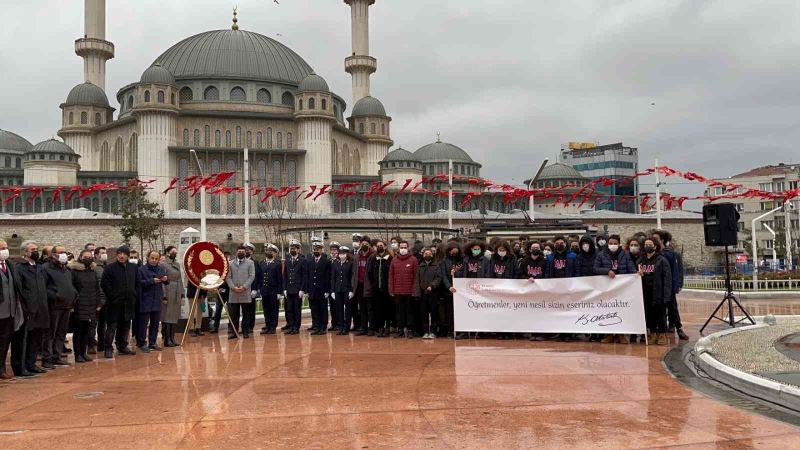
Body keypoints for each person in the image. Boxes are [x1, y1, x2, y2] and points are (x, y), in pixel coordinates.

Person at [12, 241, 49, 376]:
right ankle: (20, 367)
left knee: (36, 338)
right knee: (23, 339)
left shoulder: (39, 267)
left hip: (41, 308)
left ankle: (31, 363)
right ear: (25, 253)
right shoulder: (20, 268)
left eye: (37, 249)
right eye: (32, 249)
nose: (35, 251)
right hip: (28, 309)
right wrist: (25, 307)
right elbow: (20, 289)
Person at [594, 234, 637, 344]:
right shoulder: (601, 254)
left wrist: (636, 273)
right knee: (608, 311)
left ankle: (620, 334)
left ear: (619, 244)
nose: (613, 245)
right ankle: (609, 334)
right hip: (607, 287)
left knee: (621, 311)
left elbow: (631, 267)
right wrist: (607, 271)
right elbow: (595, 268)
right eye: (611, 243)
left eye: (615, 243)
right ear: (608, 244)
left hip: (621, 287)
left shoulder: (625, 254)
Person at [100, 246, 139, 359]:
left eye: (124, 254)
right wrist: (113, 295)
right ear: (116, 255)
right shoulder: (110, 268)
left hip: (129, 302)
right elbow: (105, 284)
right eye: (120, 254)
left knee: (126, 325)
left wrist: (134, 294)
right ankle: (108, 348)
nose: (122, 256)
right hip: (114, 303)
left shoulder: (133, 267)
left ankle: (122, 346)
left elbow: (137, 283)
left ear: (127, 256)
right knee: (112, 326)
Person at [43, 245, 78, 366]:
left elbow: (70, 285)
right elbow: (44, 287)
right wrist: (56, 295)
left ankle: (56, 356)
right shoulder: (46, 268)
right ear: (53, 255)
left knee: (61, 332)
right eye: (60, 252)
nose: (63, 254)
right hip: (54, 306)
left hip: (67, 305)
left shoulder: (66, 269)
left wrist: (73, 294)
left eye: (65, 252)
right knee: (50, 333)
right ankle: (47, 358)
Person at [652, 230, 688, 341]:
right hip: (656, 287)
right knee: (658, 310)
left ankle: (679, 328)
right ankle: (660, 330)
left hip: (668, 287)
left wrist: (676, 286)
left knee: (672, 308)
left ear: (662, 240)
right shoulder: (653, 254)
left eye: (656, 239)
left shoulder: (670, 254)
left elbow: (676, 271)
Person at [68, 250, 103, 362]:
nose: (88, 258)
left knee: (87, 330)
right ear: (80, 257)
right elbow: (72, 288)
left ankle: (83, 352)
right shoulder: (74, 271)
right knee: (78, 331)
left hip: (91, 304)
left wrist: (98, 303)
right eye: (85, 257)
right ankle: (78, 353)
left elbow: (96, 288)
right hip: (79, 305)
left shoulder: (92, 271)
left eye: (89, 257)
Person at [638, 238, 672, 345]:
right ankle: (652, 333)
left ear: (655, 246)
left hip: (658, 291)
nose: (648, 246)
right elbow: (635, 273)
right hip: (646, 291)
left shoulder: (661, 260)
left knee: (660, 314)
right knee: (649, 314)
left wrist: (667, 295)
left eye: (650, 244)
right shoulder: (640, 260)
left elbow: (667, 278)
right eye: (646, 244)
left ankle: (662, 334)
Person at [0, 240, 23, 380]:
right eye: (2, 248)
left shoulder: (10, 265)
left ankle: (1, 368)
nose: (5, 251)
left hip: (10, 310)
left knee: (4, 342)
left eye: (6, 248)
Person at [136, 251, 167, 352]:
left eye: (156, 259)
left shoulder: (161, 269)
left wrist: (165, 279)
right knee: (143, 323)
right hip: (145, 299)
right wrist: (151, 281)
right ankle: (141, 343)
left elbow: (165, 281)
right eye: (152, 258)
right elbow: (138, 283)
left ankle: (152, 342)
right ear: (147, 258)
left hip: (157, 299)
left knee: (155, 323)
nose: (154, 260)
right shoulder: (141, 270)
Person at [389, 241, 418, 339]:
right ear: (399, 248)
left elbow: (416, 277)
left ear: (408, 248)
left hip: (409, 291)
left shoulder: (413, 260)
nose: (403, 249)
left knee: (410, 311)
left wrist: (414, 290)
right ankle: (400, 330)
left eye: (405, 247)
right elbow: (391, 276)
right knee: (399, 312)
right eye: (401, 247)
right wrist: (391, 289)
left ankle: (410, 330)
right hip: (397, 291)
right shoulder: (394, 260)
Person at [228, 245, 256, 339]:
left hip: (245, 292)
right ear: (236, 252)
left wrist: (244, 287)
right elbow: (228, 277)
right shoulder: (230, 263)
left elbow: (252, 276)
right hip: (233, 292)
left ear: (245, 252)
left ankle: (245, 331)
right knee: (234, 314)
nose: (241, 253)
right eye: (239, 251)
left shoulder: (250, 263)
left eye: (242, 251)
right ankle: (234, 332)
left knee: (246, 314)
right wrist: (233, 287)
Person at [365, 239, 392, 337]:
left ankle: (387, 327)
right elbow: (369, 272)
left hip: (387, 289)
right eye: (378, 245)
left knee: (387, 309)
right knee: (378, 309)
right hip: (376, 289)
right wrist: (373, 284)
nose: (380, 247)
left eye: (381, 245)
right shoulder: (372, 258)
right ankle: (380, 328)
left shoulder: (390, 258)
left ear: (385, 247)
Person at [414, 247, 441, 339]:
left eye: (429, 253)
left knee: (434, 313)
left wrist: (432, 286)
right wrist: (417, 292)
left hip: (433, 293)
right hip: (422, 294)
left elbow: (438, 278)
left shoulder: (436, 266)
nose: (427, 255)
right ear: (423, 255)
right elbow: (417, 280)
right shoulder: (420, 266)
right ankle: (425, 331)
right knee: (424, 313)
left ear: (432, 255)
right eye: (426, 254)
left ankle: (433, 331)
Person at [439, 242, 463, 339]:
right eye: (452, 249)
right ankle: (450, 329)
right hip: (448, 290)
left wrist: (457, 273)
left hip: (460, 290)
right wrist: (449, 286)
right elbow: (444, 275)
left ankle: (459, 329)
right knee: (449, 311)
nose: (454, 251)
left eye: (456, 249)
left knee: (459, 311)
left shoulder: (462, 259)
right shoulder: (444, 261)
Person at [282, 240, 307, 335]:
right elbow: (285, 275)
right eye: (291, 249)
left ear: (298, 250)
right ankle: (291, 326)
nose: (292, 250)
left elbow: (304, 276)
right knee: (289, 309)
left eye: (294, 249)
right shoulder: (288, 260)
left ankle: (296, 327)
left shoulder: (302, 260)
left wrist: (302, 289)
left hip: (297, 289)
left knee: (296, 309)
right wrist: (284, 288)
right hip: (289, 288)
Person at [306, 240, 331, 335]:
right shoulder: (310, 261)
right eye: (314, 249)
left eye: (318, 249)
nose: (316, 251)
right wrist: (308, 290)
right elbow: (308, 276)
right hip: (312, 290)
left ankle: (323, 327)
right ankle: (316, 326)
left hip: (322, 290)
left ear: (321, 250)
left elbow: (328, 277)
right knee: (314, 309)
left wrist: (327, 290)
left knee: (323, 309)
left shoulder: (326, 261)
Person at [352, 235, 375, 336]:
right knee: (362, 308)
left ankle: (372, 328)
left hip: (369, 285)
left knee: (370, 308)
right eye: (362, 243)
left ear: (369, 245)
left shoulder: (373, 255)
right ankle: (363, 327)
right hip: (359, 285)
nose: (364, 245)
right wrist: (354, 284)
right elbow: (354, 271)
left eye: (366, 243)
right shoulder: (357, 256)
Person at [257, 244, 282, 335]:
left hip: (274, 290)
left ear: (275, 253)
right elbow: (259, 277)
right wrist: (259, 288)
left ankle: (273, 327)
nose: (269, 253)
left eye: (271, 251)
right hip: (264, 290)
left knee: (274, 309)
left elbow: (280, 279)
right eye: (268, 251)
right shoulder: (262, 263)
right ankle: (267, 326)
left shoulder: (277, 263)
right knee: (266, 309)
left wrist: (279, 292)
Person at [160, 246, 182, 347]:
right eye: (173, 251)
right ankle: (167, 339)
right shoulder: (163, 265)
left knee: (174, 315)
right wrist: (164, 296)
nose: (175, 253)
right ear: (168, 253)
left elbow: (180, 279)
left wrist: (182, 293)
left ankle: (172, 338)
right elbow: (162, 282)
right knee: (167, 315)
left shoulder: (177, 264)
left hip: (176, 291)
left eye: (175, 251)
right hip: (169, 290)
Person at [330, 246, 354, 335]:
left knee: (348, 310)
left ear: (347, 254)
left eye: (343, 254)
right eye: (340, 254)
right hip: (337, 289)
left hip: (347, 289)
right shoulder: (335, 263)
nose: (342, 255)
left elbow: (352, 277)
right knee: (339, 309)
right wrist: (332, 290)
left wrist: (351, 290)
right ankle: (340, 327)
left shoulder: (350, 263)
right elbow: (333, 278)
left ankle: (346, 327)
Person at [90, 246, 107, 354]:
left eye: (105, 253)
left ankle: (102, 344)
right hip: (97, 299)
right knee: (93, 324)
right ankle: (90, 344)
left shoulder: (107, 266)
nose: (104, 254)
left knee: (103, 324)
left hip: (106, 299)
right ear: (96, 255)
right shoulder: (93, 267)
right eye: (102, 253)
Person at [242, 242, 258, 335]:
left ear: (252, 252)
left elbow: (256, 276)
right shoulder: (239, 261)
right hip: (242, 289)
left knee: (251, 310)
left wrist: (255, 289)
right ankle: (244, 327)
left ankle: (250, 327)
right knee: (244, 310)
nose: (246, 251)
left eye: (248, 250)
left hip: (251, 289)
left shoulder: (254, 262)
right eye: (245, 249)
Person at [327, 242, 341, 331]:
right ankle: (334, 323)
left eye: (335, 250)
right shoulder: (328, 261)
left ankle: (340, 323)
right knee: (332, 307)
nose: (333, 252)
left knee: (338, 307)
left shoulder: (340, 261)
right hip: (330, 287)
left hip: (338, 287)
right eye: (332, 250)